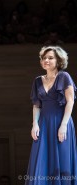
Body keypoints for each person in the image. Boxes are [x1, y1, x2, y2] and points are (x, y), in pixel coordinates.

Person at [25, 46, 77, 184]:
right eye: (44, 58)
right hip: (43, 124)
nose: (46, 60)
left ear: (58, 60)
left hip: (61, 122)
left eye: (50, 58)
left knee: (62, 159)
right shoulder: (37, 81)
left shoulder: (64, 76)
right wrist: (35, 124)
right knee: (41, 159)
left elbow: (70, 102)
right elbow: (36, 105)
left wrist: (64, 125)